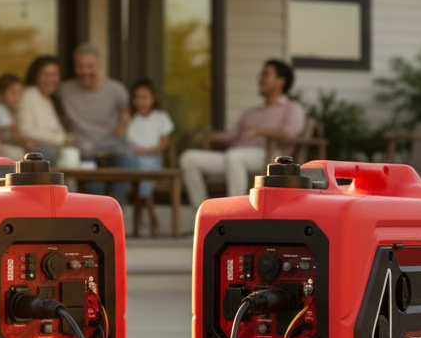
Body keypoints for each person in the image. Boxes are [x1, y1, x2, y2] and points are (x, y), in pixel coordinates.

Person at [180, 59, 306, 209]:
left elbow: (290, 134)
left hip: (271, 156)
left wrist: (260, 131)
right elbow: (232, 135)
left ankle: (235, 212)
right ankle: (203, 212)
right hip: (235, 156)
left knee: (234, 157)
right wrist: (212, 136)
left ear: (281, 81)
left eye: (266, 75)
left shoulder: (292, 108)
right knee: (189, 159)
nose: (260, 79)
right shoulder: (251, 112)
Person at [58, 44, 131, 203]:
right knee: (93, 186)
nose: (85, 71)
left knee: (129, 162)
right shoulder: (64, 90)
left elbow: (126, 110)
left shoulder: (116, 89)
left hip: (112, 145)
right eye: (80, 66)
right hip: (82, 148)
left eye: (90, 66)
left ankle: (118, 212)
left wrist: (121, 125)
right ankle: (98, 219)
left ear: (98, 66)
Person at [121, 78, 174, 237]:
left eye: (144, 97)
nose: (140, 102)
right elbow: (118, 138)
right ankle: (151, 216)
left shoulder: (160, 117)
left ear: (153, 98)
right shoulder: (131, 119)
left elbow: (164, 143)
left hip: (153, 160)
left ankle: (144, 217)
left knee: (144, 170)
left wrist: (146, 151)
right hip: (133, 163)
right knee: (136, 167)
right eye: (136, 98)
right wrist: (123, 120)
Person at [17, 55, 69, 161]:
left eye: (54, 75)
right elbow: (25, 130)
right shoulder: (29, 95)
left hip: (55, 150)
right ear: (36, 76)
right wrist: (59, 139)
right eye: (45, 75)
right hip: (37, 152)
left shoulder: (54, 99)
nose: (50, 79)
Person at [0, 72, 27, 160]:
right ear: (1, 95)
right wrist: (26, 142)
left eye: (19, 93)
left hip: (1, 147)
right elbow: (13, 136)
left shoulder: (10, 111)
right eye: (13, 93)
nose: (17, 97)